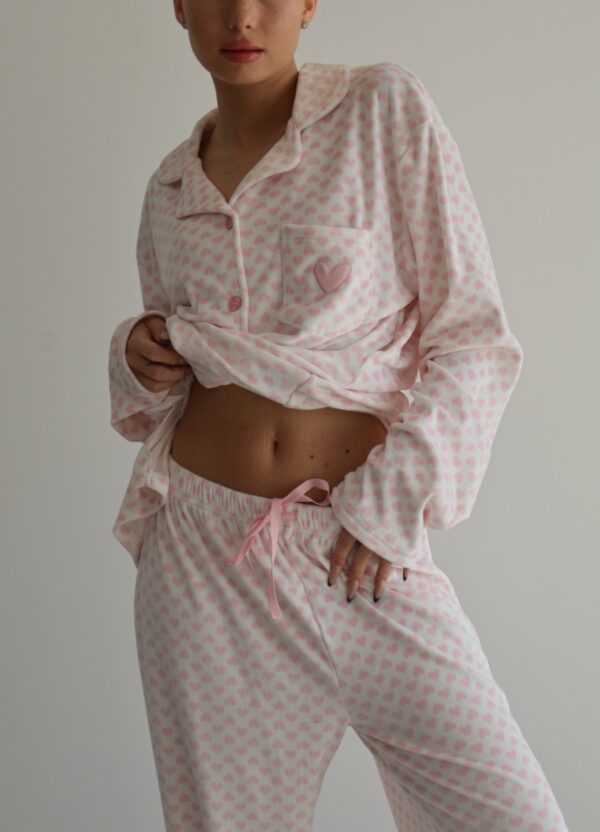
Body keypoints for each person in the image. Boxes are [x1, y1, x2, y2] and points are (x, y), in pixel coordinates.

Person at [107, 1, 571, 830]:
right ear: (178, 5)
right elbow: (172, 379)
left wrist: (391, 506)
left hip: (365, 551)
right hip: (203, 566)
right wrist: (135, 353)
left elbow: (474, 339)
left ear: (310, 3)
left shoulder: (380, 112)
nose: (242, 16)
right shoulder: (169, 189)